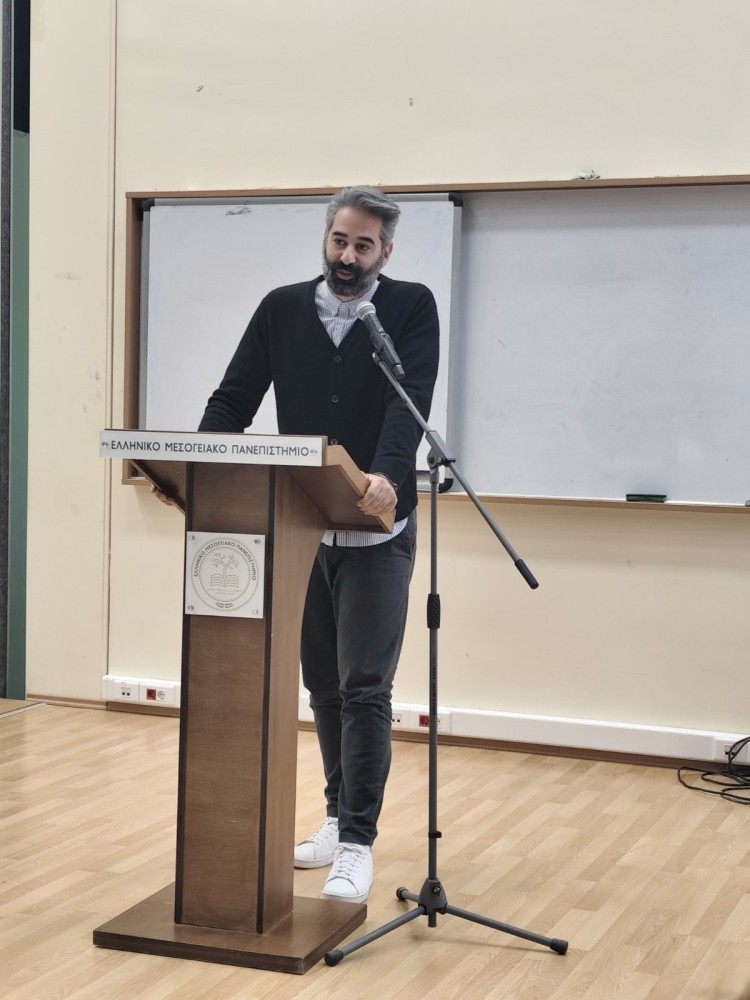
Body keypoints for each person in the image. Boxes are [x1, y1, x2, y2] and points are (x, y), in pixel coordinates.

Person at [197, 186, 440, 904]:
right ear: (325, 239)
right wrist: (202, 466)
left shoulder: (408, 308)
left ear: (385, 253)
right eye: (339, 240)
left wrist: (388, 477)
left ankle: (358, 843)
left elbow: (408, 405)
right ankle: (336, 818)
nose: (348, 257)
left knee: (366, 689)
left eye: (364, 246)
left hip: (377, 532)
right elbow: (232, 400)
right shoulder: (280, 309)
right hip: (302, 527)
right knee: (324, 687)